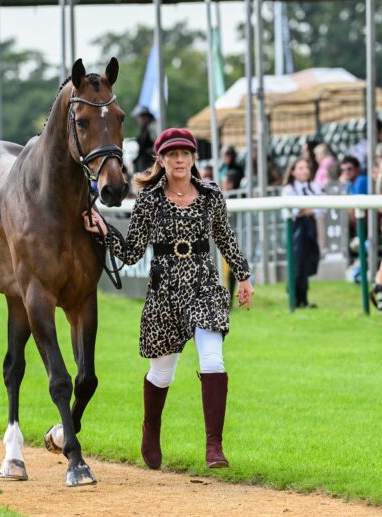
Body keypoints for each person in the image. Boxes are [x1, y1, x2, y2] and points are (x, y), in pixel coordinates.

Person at [82, 128, 254, 470]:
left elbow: (225, 237)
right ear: (161, 159)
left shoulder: (211, 195)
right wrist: (103, 229)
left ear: (193, 159)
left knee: (212, 361)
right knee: (162, 374)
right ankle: (151, 428)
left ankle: (214, 447)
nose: (179, 160)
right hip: (164, 292)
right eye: (172, 155)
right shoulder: (149, 200)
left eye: (185, 154)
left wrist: (244, 275)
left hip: (205, 286)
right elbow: (131, 253)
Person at [282, 159, 322, 309]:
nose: (305, 171)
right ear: (293, 171)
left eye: (306, 167)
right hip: (296, 227)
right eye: (300, 168)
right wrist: (306, 209)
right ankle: (295, 296)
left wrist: (304, 210)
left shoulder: (314, 187)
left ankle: (303, 298)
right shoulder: (288, 189)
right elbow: (293, 211)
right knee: (297, 262)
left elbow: (320, 209)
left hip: (310, 226)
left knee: (308, 260)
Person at [133, 106, 158, 173]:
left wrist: (150, 151)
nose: (140, 119)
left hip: (150, 161)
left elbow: (157, 144)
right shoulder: (142, 129)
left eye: (142, 117)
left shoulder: (153, 127)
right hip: (143, 161)